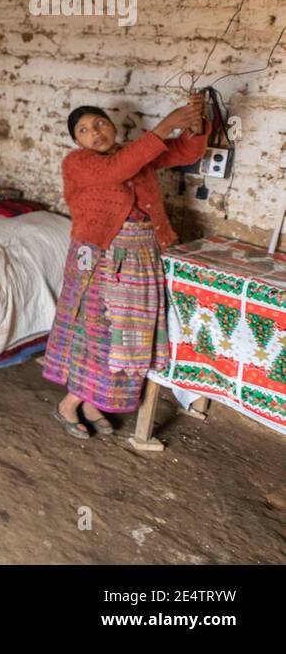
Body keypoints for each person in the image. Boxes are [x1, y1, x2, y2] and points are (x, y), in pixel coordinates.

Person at [43, 93, 208, 438]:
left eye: (100, 123)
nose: (95, 132)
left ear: (113, 125)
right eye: (85, 130)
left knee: (127, 336)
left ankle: (92, 403)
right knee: (99, 332)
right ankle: (69, 404)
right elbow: (115, 171)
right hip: (97, 258)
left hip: (141, 253)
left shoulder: (136, 154)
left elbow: (186, 152)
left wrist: (195, 123)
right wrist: (165, 126)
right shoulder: (79, 162)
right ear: (77, 141)